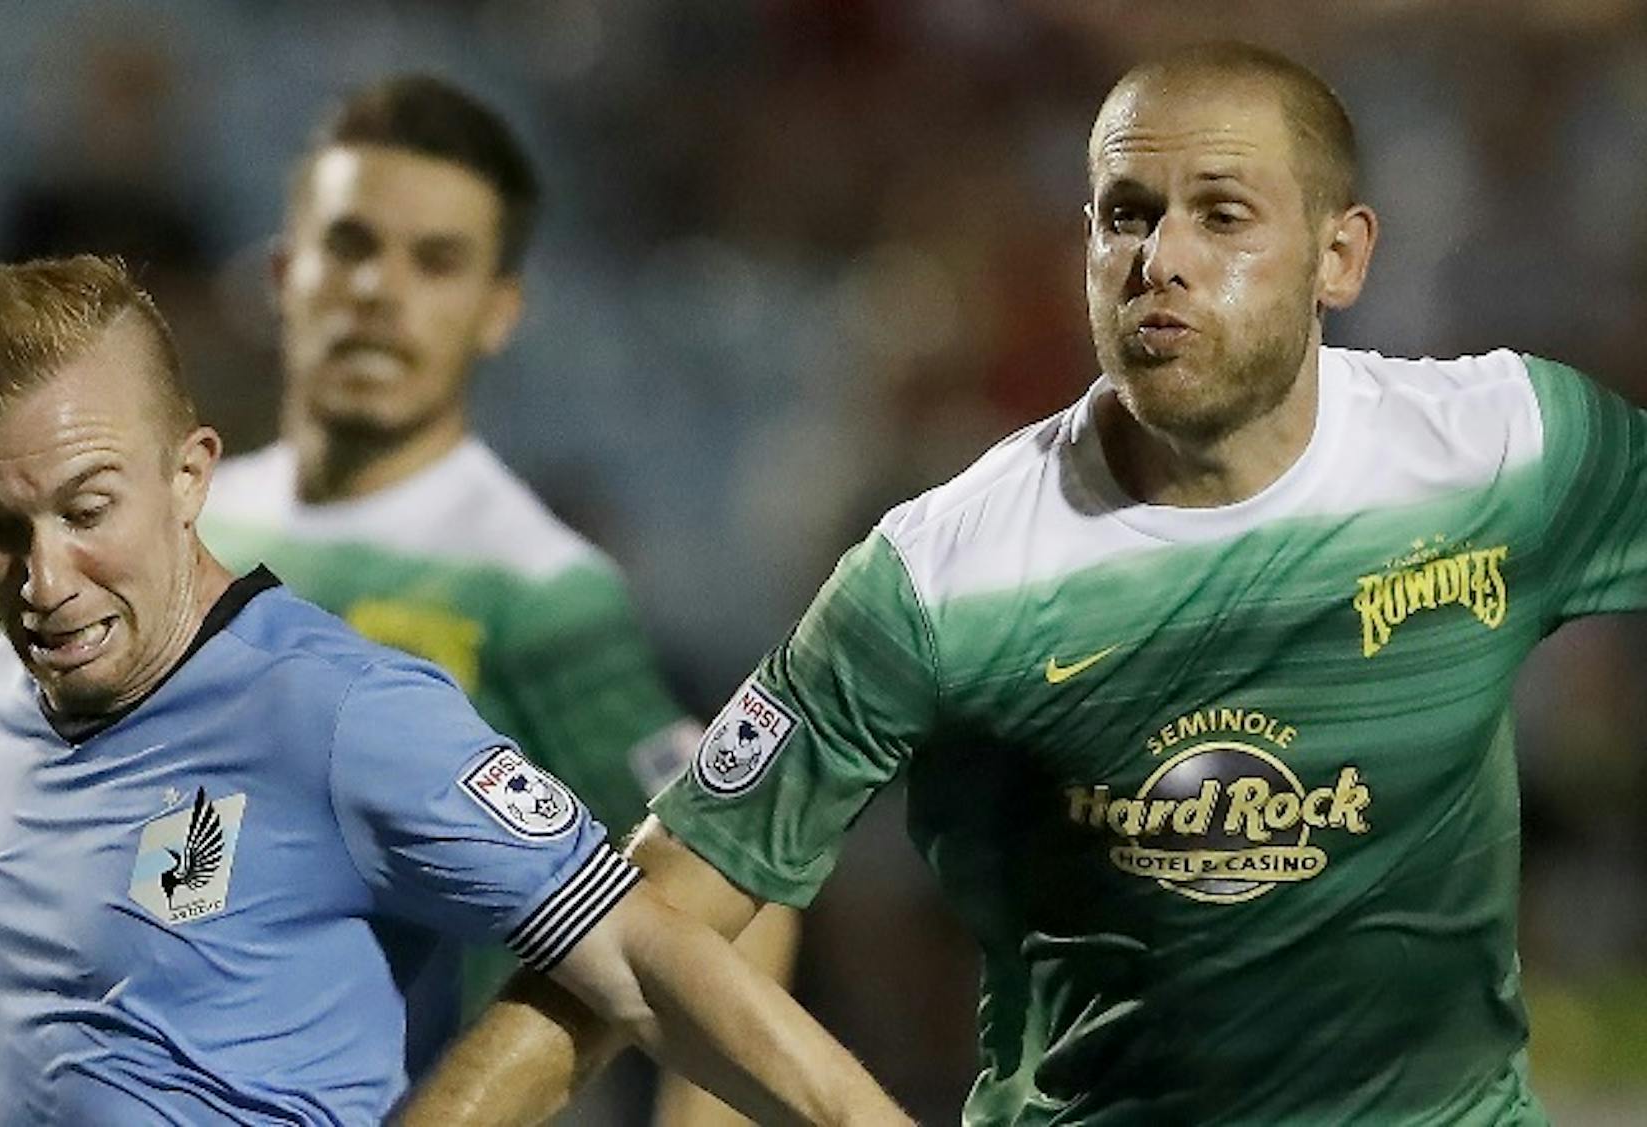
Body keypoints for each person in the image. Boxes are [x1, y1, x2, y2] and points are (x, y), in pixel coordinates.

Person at [404, 41, 1647, 1125]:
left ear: (1341, 255)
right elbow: (640, 917)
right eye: (1124, 212)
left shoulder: (1508, 446)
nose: (1159, 258)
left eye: (1222, 216)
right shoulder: (946, 572)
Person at [0, 254, 907, 1126]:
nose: (43, 576)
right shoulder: (7, 694)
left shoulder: (339, 713)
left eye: (87, 508)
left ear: (191, 471)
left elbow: (645, 955)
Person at [0, 76, 798, 1123]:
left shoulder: (532, 587)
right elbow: (171, 859)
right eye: (351, 245)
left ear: (498, 312)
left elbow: (723, 873)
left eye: (435, 262)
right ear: (282, 273)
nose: (380, 292)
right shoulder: (170, 540)